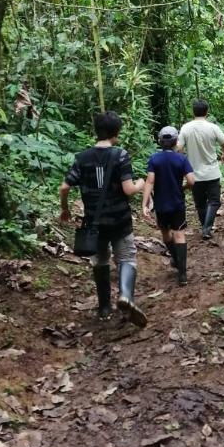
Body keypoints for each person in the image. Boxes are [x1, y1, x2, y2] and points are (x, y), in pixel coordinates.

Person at [59, 110, 147, 327]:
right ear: (116, 132)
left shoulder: (82, 158)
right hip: (120, 220)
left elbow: (64, 187)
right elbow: (128, 189)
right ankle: (126, 295)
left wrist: (65, 210)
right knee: (126, 257)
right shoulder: (120, 155)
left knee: (100, 260)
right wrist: (141, 184)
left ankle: (104, 308)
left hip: (94, 223)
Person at [141, 126, 195, 286]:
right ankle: (183, 274)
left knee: (165, 234)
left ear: (160, 141)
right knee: (179, 235)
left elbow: (149, 181)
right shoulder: (181, 159)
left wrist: (145, 204)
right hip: (177, 202)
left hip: (161, 204)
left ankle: (176, 260)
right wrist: (183, 187)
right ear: (175, 141)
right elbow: (192, 181)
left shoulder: (154, 159)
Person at [177, 99, 224, 240]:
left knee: (200, 203)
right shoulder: (213, 127)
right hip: (212, 172)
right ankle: (206, 228)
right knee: (214, 201)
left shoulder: (186, 128)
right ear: (207, 111)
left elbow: (179, 148)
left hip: (194, 173)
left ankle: (205, 226)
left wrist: (183, 164)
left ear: (193, 111)